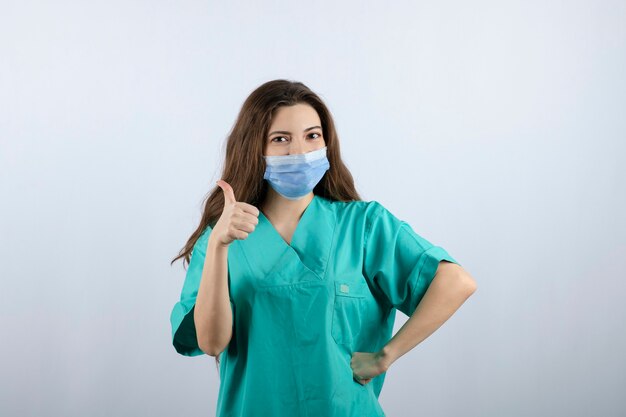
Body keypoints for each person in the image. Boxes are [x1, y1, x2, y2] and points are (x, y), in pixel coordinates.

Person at [169, 79, 477, 417]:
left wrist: (387, 354)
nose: (300, 151)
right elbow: (211, 343)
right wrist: (217, 246)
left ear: (326, 143)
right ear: (254, 148)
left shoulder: (362, 226)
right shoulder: (222, 241)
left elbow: (456, 281)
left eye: (312, 136)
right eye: (281, 139)